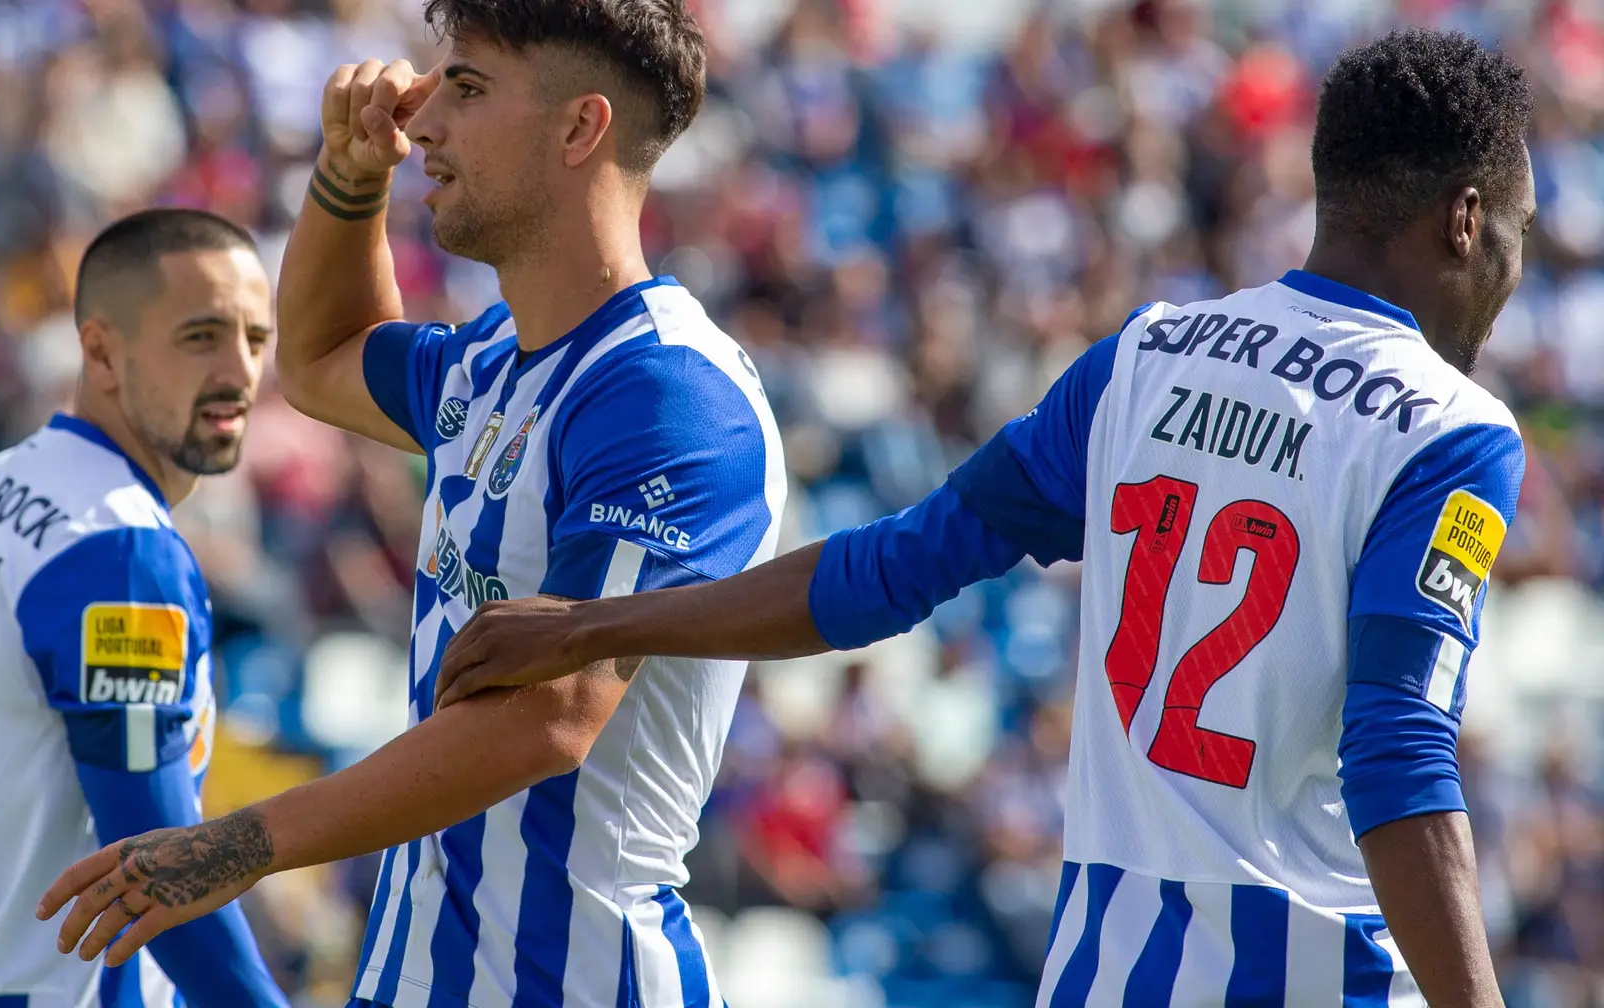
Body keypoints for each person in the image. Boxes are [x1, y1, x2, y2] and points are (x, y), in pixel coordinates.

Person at [435, 28, 1534, 1008]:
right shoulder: (1453, 433)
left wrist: (601, 625)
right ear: (1466, 220)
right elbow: (1398, 748)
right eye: (1517, 233)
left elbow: (888, 571)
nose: (1515, 270)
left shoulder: (1146, 359)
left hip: (1101, 974)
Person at [37, 3, 784, 1007]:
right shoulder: (488, 361)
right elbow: (317, 358)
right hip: (413, 973)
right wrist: (350, 177)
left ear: (580, 130)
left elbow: (550, 720)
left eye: (467, 87)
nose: (423, 120)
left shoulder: (669, 395)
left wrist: (245, 842)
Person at [0, 208, 288, 1008]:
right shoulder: (121, 556)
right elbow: (154, 865)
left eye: (257, 339)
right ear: (100, 350)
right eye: (200, 336)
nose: (240, 371)